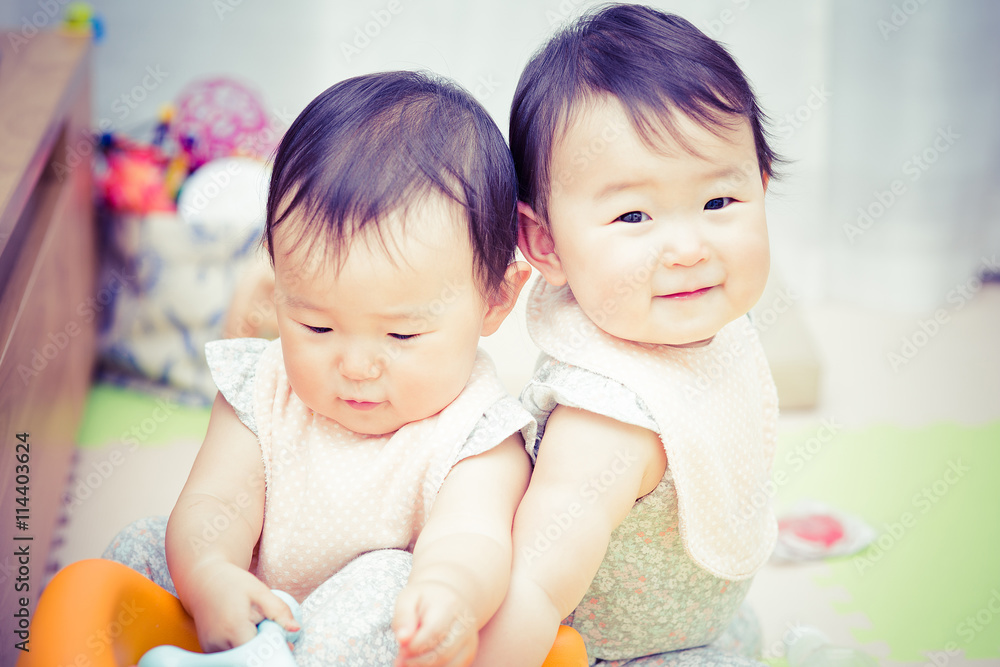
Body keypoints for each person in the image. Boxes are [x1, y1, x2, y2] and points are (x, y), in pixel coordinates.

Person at [104, 70, 533, 667]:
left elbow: (472, 539)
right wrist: (210, 576)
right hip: (244, 607)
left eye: (402, 333)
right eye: (317, 327)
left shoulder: (480, 432)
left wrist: (449, 594)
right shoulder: (263, 386)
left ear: (496, 300)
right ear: (277, 287)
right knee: (139, 548)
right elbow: (215, 502)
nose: (355, 366)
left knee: (392, 583)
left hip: (357, 641)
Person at [471, 5, 781, 666]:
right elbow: (535, 580)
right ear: (544, 242)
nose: (690, 248)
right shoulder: (608, 417)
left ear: (760, 185)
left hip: (699, 620)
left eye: (719, 202)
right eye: (634, 214)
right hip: (604, 652)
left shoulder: (708, 326)